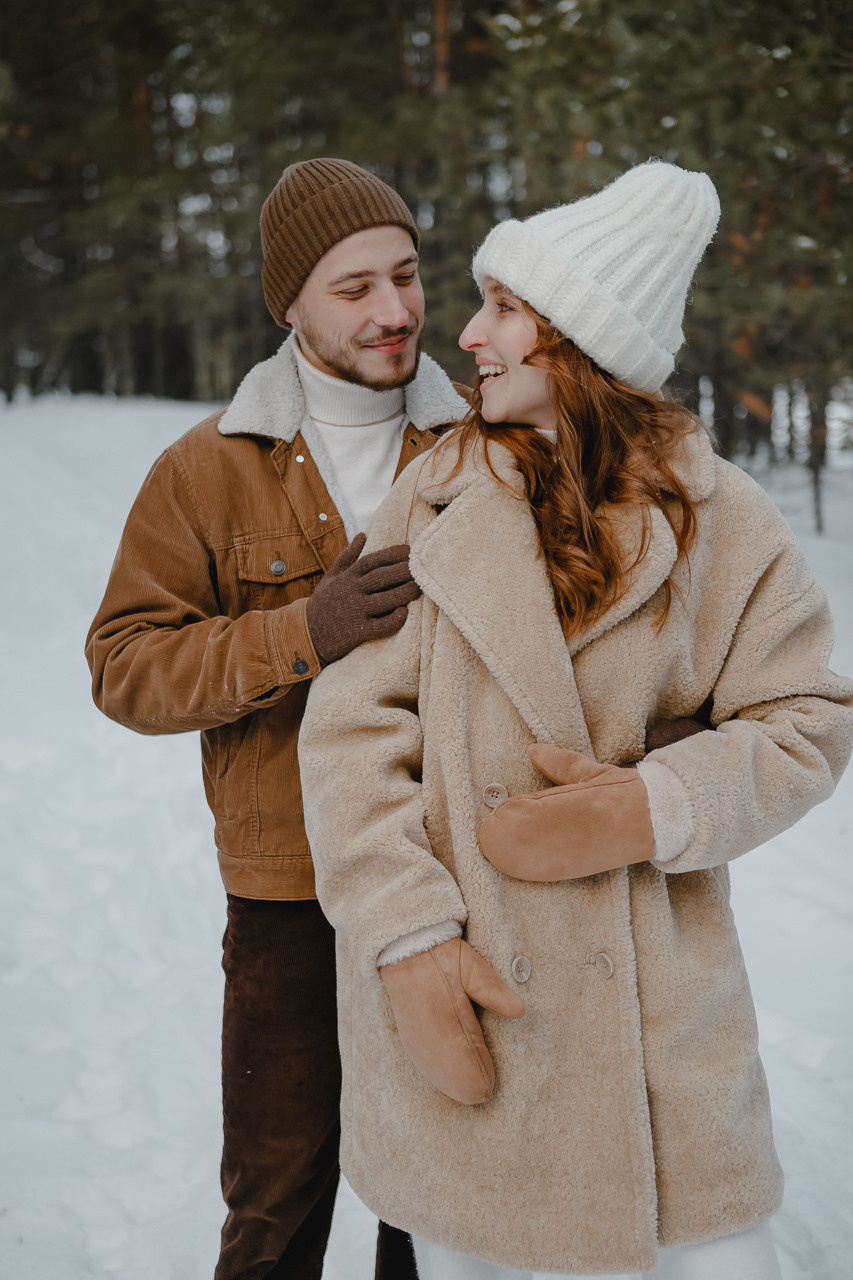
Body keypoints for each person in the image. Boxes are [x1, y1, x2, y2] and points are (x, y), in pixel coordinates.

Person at [297, 161, 853, 1280]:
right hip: (474, 1001)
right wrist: (409, 944)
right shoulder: (432, 496)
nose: (468, 331)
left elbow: (805, 717)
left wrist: (656, 806)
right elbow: (352, 731)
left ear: (579, 340)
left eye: (503, 308)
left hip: (659, 1034)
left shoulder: (721, 518)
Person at [86, 158, 472, 1280]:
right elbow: (125, 668)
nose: (395, 310)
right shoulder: (204, 471)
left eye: (405, 275)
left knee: (440, 1200)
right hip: (287, 890)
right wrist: (303, 627)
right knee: (277, 1196)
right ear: (289, 302)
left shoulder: (486, 446)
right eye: (353, 288)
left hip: (454, 880)